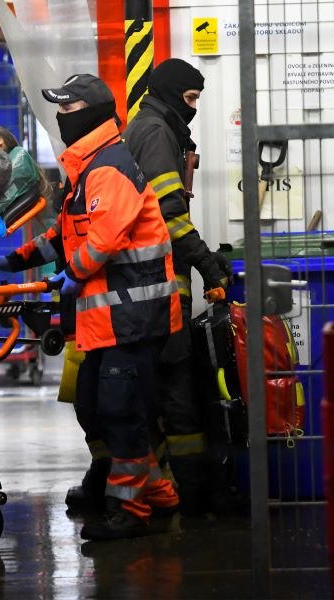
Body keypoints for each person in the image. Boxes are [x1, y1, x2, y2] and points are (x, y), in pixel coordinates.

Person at [0, 74, 182, 540]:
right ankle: (158, 493)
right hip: (110, 318)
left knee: (120, 410)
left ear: (93, 114)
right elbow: (65, 234)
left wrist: (71, 274)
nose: (60, 118)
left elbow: (103, 240)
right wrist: (14, 260)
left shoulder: (108, 168)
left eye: (68, 110)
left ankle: (129, 510)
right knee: (95, 405)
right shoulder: (89, 167)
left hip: (131, 317)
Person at [122, 58, 232, 516]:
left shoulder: (151, 127)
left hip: (149, 288)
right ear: (170, 93)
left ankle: (170, 487)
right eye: (189, 98)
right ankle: (193, 495)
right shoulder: (156, 133)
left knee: (159, 392)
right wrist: (208, 265)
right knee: (177, 393)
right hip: (160, 288)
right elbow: (168, 215)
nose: (193, 107)